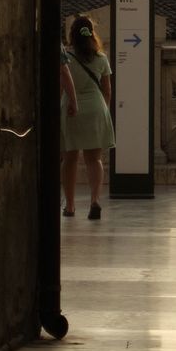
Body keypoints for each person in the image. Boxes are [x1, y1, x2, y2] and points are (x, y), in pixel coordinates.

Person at [60, 13, 115, 220]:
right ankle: (95, 201)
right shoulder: (101, 58)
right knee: (94, 159)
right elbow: (107, 90)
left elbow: (61, 86)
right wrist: (103, 111)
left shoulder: (66, 58)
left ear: (72, 35)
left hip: (71, 109)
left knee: (70, 159)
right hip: (95, 109)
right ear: (92, 35)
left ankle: (70, 205)